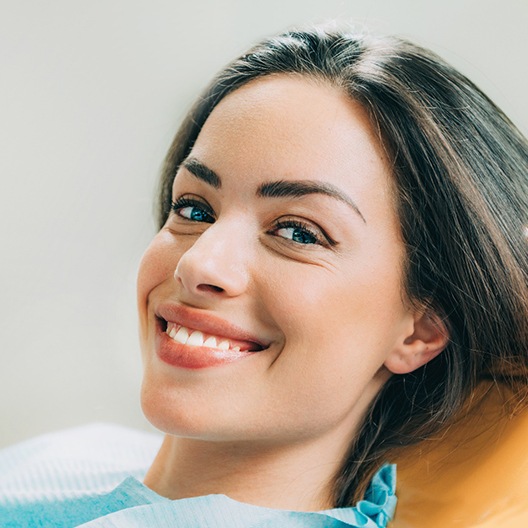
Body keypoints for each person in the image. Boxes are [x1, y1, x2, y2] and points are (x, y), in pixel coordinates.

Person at [1, 24, 527, 528]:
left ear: (421, 330)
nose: (199, 263)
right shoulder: (79, 454)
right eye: (194, 208)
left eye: (298, 233)